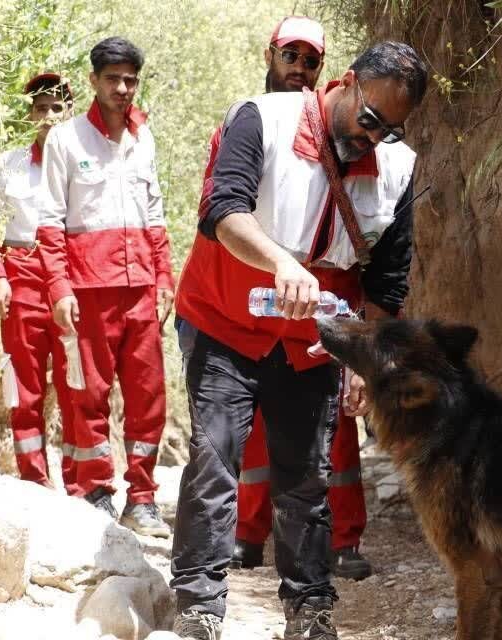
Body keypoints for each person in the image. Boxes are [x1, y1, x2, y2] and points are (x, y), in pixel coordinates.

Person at [170, 40, 428, 640]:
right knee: (215, 461)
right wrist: (280, 264)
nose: (373, 137)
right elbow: (222, 210)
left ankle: (310, 609)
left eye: (390, 129)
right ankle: (199, 610)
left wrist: (362, 359)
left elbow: (387, 280)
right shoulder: (260, 119)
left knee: (305, 473)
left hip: (312, 341)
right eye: (369, 119)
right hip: (223, 323)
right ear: (345, 82)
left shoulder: (396, 167)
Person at [215, 16, 372, 582]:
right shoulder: (249, 120)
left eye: (311, 60)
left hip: (328, 291)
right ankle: (248, 535)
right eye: (291, 55)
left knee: (336, 424)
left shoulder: (349, 132)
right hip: (262, 288)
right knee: (257, 418)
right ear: (270, 54)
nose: (299, 68)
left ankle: (343, 541)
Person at [37, 36, 174, 538]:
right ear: (94, 81)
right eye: (113, 78)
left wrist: (164, 276)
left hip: (140, 289)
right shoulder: (66, 140)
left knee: (147, 397)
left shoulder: (145, 138)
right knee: (87, 395)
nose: (123, 87)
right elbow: (49, 223)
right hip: (88, 289)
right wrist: (59, 288)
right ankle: (93, 493)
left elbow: (155, 217)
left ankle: (142, 499)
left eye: (130, 79)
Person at [0, 73, 75, 488]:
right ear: (29, 115)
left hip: (69, 281)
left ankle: (81, 483)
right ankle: (34, 480)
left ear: (71, 113)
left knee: (76, 385)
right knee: (24, 385)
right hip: (20, 278)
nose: (48, 116)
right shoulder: (7, 165)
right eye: (40, 108)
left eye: (57, 108)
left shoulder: (83, 164)